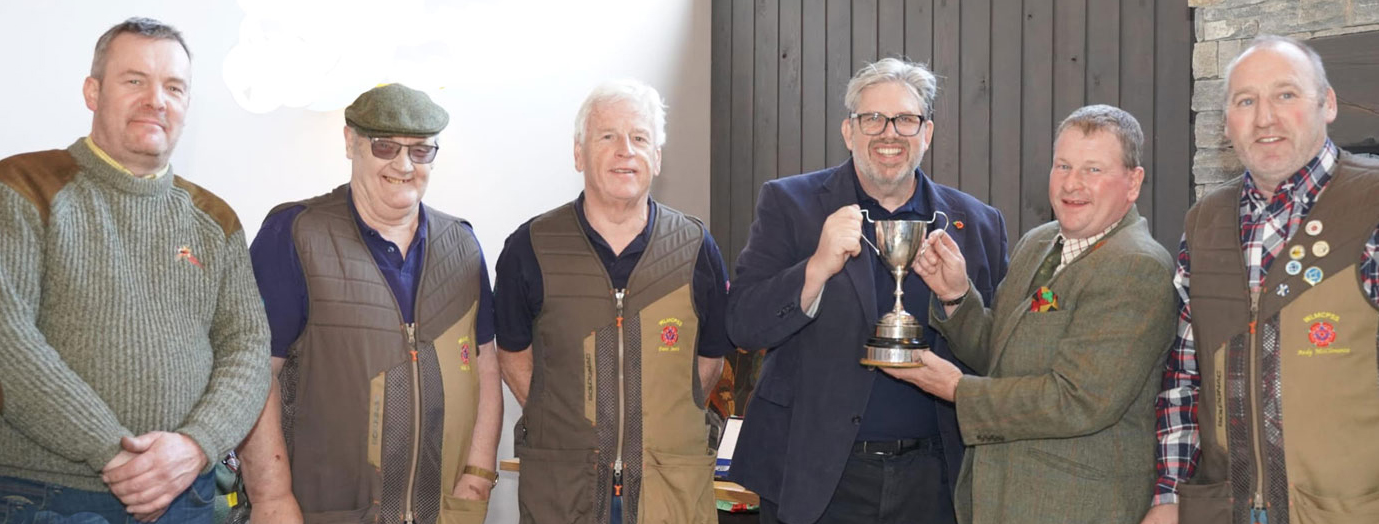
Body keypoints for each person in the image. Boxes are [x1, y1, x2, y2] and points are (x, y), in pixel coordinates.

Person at [0, 17, 270, 523]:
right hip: (48, 498)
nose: (156, 99)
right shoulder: (21, 186)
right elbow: (6, 341)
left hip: (188, 496)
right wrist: (114, 452)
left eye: (173, 86)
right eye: (134, 81)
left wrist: (195, 446)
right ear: (92, 91)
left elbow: (248, 349)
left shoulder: (215, 219)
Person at [726, 58, 1008, 524]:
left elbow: (1001, 354)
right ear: (848, 131)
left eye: (906, 119)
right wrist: (814, 270)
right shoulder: (789, 203)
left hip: (937, 480)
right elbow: (743, 325)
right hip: (816, 477)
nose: (889, 133)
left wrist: (959, 299)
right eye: (872, 118)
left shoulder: (978, 223)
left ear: (927, 133)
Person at [888, 104, 1175, 523]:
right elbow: (999, 355)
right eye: (1063, 165)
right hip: (999, 501)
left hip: (1074, 509)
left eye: (1093, 170)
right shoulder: (1039, 243)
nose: (1072, 183)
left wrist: (957, 390)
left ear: (1133, 183)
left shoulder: (1137, 266)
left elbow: (1077, 400)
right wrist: (956, 296)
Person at [237, 83, 502, 524]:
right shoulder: (296, 234)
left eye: (420, 151)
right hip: (322, 511)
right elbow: (254, 375)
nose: (403, 164)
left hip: (442, 511)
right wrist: (271, 497)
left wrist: (477, 477)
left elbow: (486, 367)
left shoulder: (463, 245)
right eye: (385, 147)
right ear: (350, 143)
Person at [1142, 35, 1379, 524]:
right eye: (1245, 101)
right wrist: (1168, 495)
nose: (1264, 117)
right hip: (1223, 510)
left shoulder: (1372, 206)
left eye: (1285, 95)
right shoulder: (1202, 222)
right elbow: (1185, 379)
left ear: (1327, 103)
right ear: (1226, 123)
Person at [495, 79, 731, 524]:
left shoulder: (697, 248)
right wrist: (566, 421)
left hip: (669, 494)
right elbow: (512, 356)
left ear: (657, 157)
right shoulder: (531, 246)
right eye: (608, 136)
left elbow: (708, 363)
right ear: (579, 154)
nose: (626, 150)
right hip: (563, 493)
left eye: (640, 138)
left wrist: (657, 424)